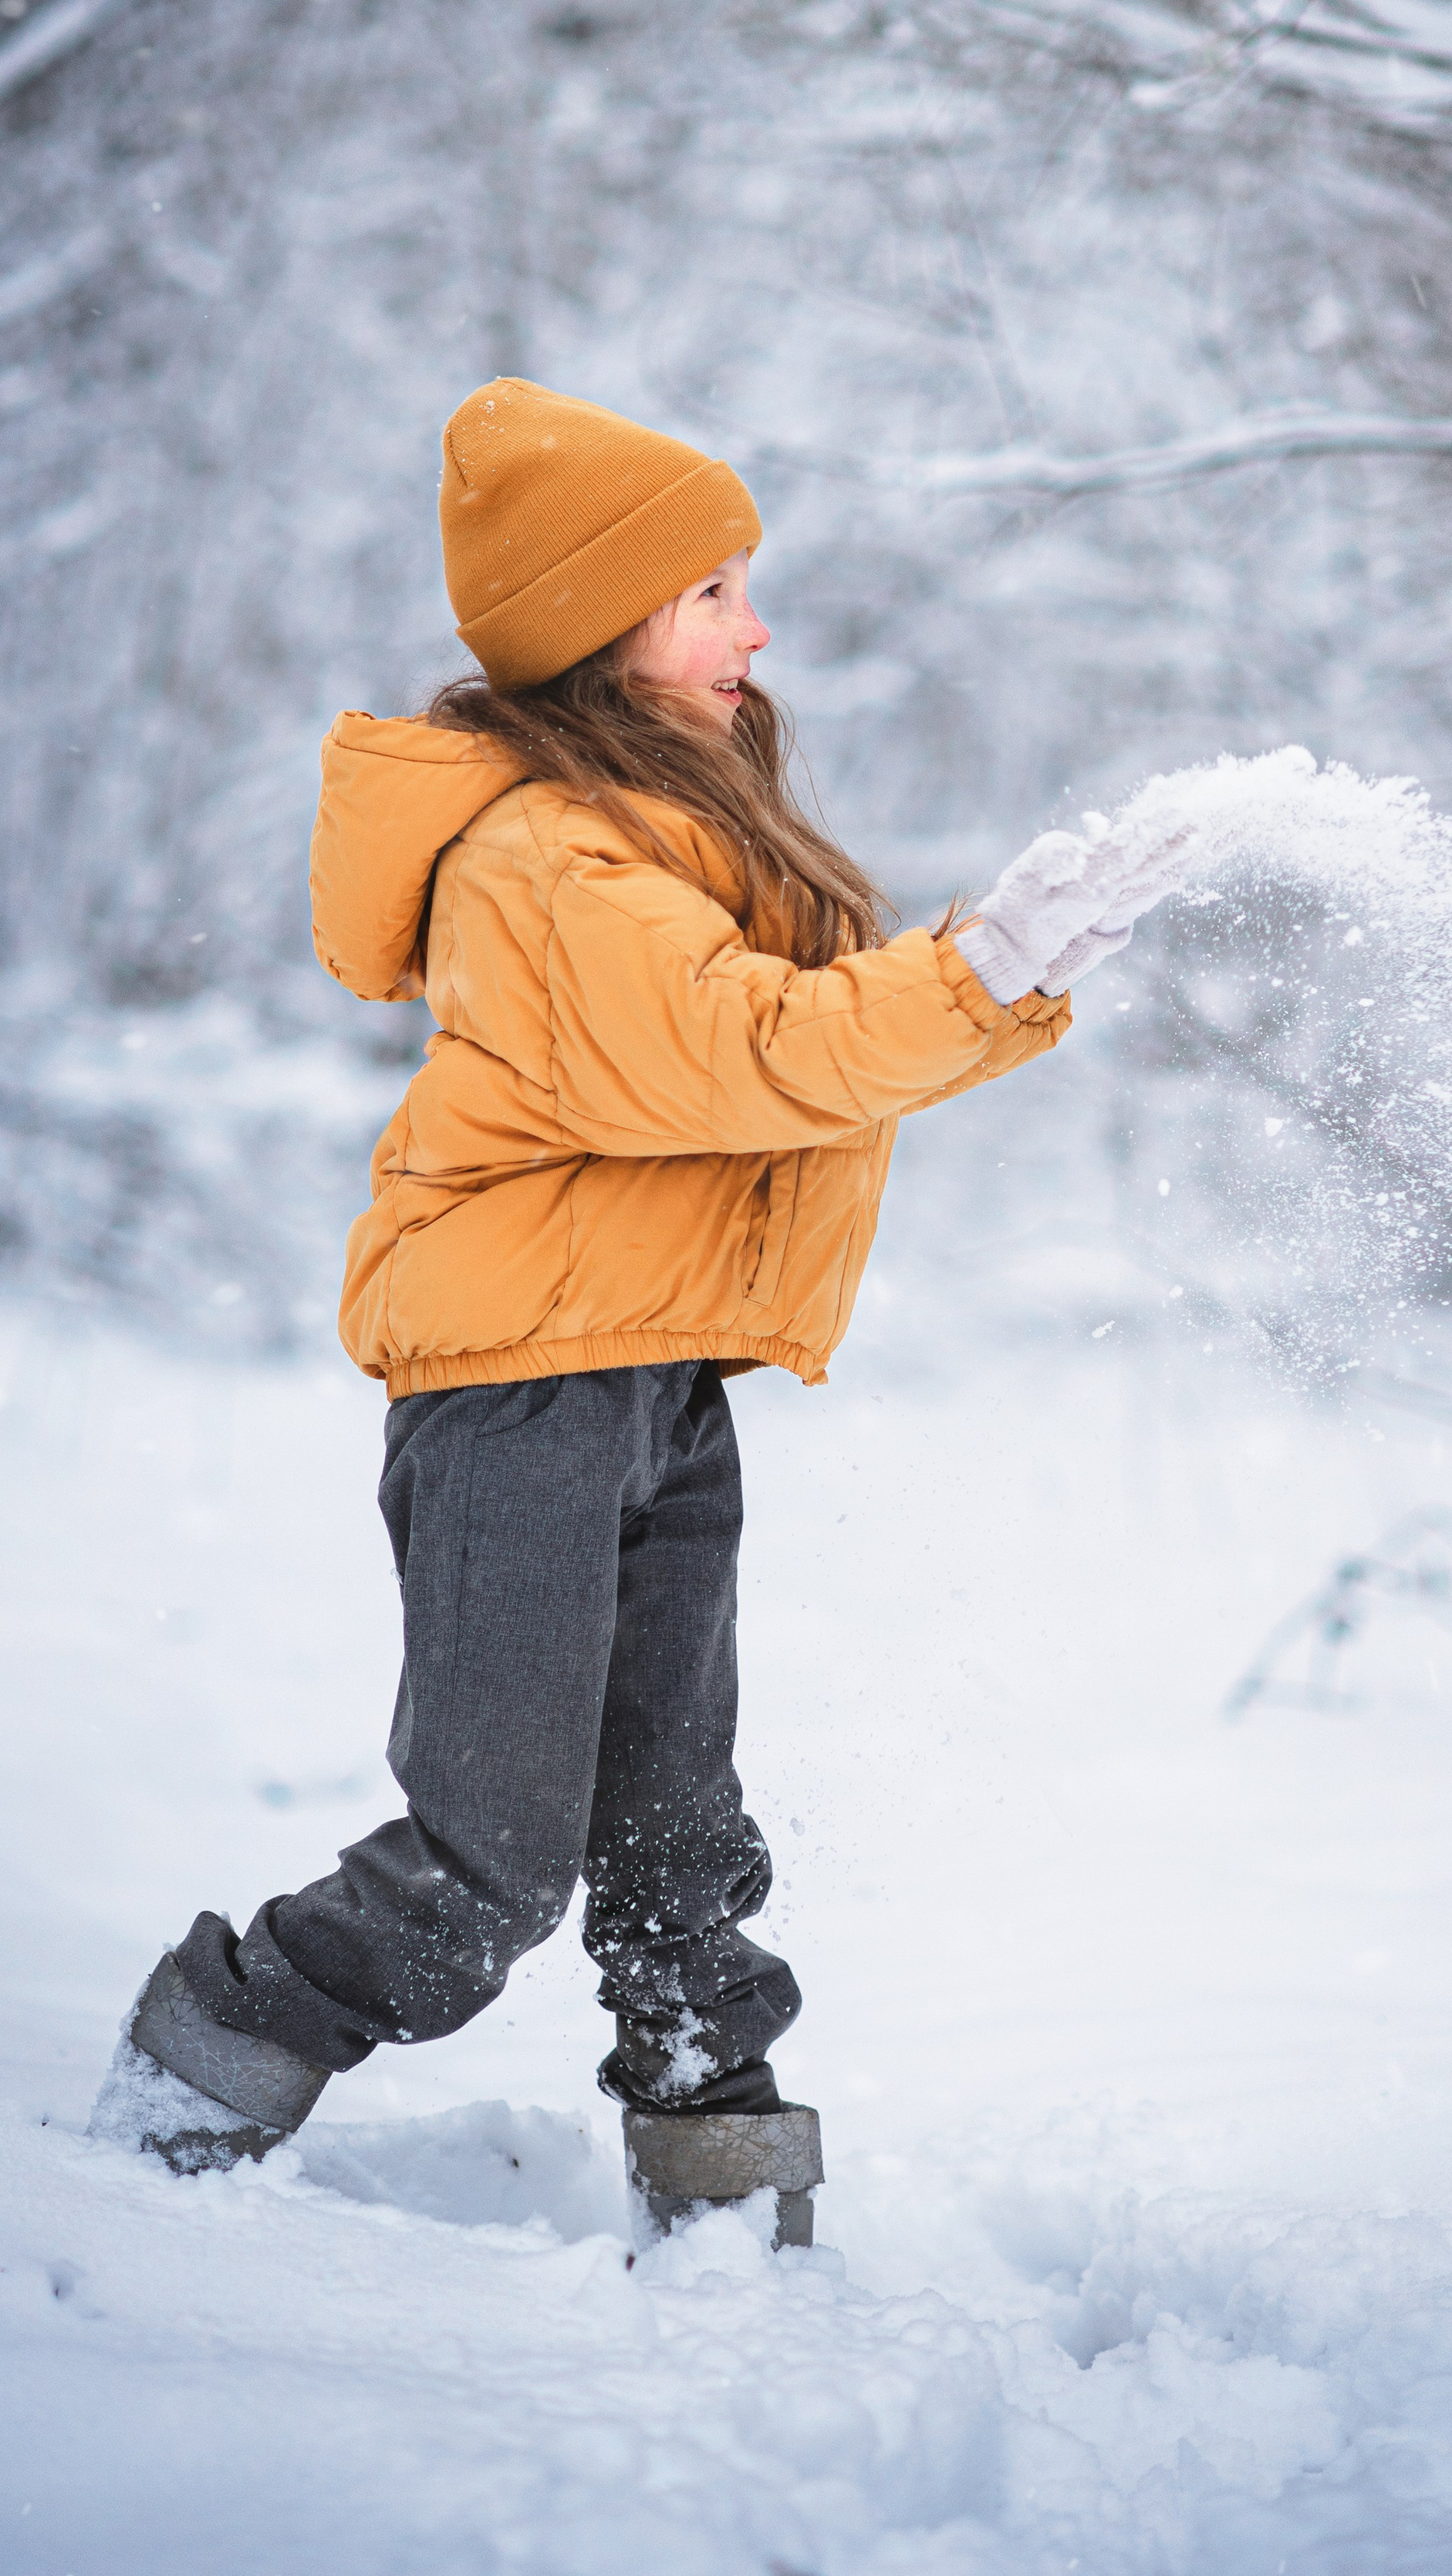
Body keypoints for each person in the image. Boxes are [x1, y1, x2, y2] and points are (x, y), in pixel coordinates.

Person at [91, 379, 1192, 2233]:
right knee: (483, 1868)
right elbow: (740, 1056)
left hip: (651, 1379)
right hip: (523, 1394)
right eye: (710, 592)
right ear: (601, 627)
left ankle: (724, 2183)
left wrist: (1004, 978)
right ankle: (183, 2087)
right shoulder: (546, 860)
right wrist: (977, 968)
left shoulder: (657, 829)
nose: (754, 629)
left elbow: (797, 1061)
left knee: (678, 1839)